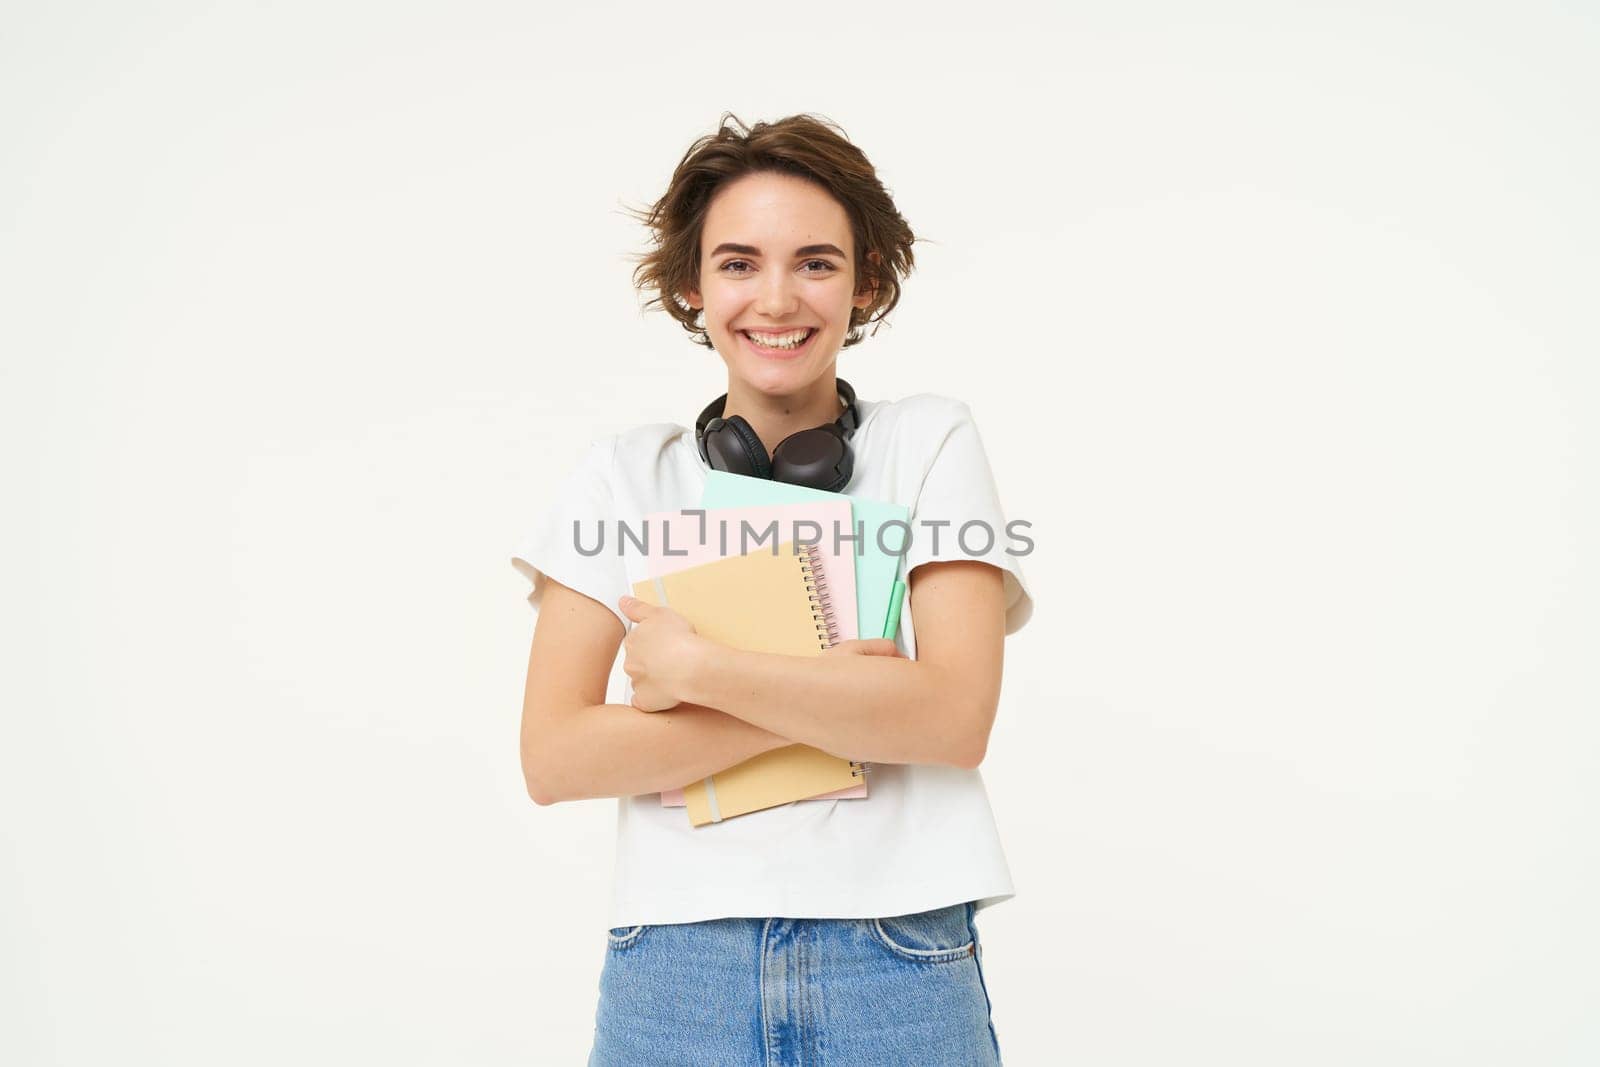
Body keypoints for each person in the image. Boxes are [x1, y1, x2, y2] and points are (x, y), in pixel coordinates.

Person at [514, 113, 1034, 1066]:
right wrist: (853, 699)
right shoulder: (621, 476)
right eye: (740, 263)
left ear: (866, 282)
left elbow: (954, 718)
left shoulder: (929, 442)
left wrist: (700, 668)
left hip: (896, 953)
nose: (777, 297)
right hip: (676, 965)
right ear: (691, 284)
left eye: (817, 262)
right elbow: (555, 756)